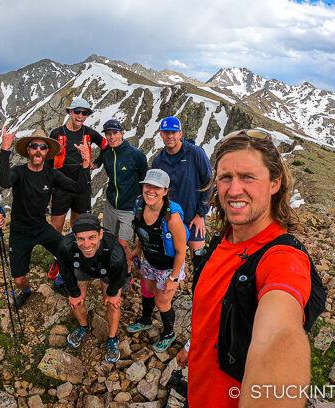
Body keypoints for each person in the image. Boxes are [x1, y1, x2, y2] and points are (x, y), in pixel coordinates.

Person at [184, 129, 312, 407]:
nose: (233, 190)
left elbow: (279, 334)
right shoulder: (223, 241)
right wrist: (191, 348)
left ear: (275, 183)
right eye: (225, 177)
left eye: (248, 177)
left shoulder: (281, 257)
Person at [0, 127, 90, 307]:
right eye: (34, 146)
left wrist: (86, 164)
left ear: (47, 151)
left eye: (42, 147)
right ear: (29, 151)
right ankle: (26, 290)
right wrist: (4, 150)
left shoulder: (51, 174)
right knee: (18, 279)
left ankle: (59, 282)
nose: (38, 150)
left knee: (70, 253)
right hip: (19, 232)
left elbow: (78, 188)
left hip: (41, 228)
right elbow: (4, 181)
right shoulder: (19, 171)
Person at [126, 169, 187, 352]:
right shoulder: (140, 205)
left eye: (156, 187)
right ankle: (145, 320)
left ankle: (169, 332)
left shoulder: (172, 218)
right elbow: (141, 231)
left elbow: (181, 251)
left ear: (165, 191)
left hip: (168, 267)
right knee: (146, 291)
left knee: (162, 302)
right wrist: (138, 249)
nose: (150, 190)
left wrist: (173, 278)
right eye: (147, 186)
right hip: (150, 261)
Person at [56, 213, 126, 363]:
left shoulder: (115, 253)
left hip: (107, 269)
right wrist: (74, 293)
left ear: (100, 234)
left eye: (92, 237)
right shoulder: (65, 246)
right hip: (82, 267)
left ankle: (112, 337)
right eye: (81, 239)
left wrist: (113, 294)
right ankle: (83, 326)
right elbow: (65, 271)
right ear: (74, 236)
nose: (86, 244)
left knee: (113, 305)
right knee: (76, 302)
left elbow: (119, 276)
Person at [151, 116, 211, 262]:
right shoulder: (158, 161)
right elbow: (156, 191)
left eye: (174, 132)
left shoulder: (195, 153)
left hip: (193, 219)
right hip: (171, 219)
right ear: (161, 134)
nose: (170, 136)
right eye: (166, 133)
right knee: (172, 261)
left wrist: (200, 215)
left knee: (198, 261)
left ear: (180, 134)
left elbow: (209, 182)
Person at [92, 119, 148, 272]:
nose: (111, 137)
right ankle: (120, 262)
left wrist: (144, 205)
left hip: (129, 208)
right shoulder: (107, 153)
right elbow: (94, 165)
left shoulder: (136, 155)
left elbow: (146, 180)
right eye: (108, 134)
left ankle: (127, 269)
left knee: (123, 243)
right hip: (111, 204)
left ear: (122, 133)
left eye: (115, 133)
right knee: (110, 238)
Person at [47, 97, 108, 232]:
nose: (80, 116)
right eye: (77, 112)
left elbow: (106, 146)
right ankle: (58, 253)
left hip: (82, 185)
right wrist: (48, 191)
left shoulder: (89, 133)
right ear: (70, 112)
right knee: (56, 227)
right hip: (60, 186)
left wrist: (97, 163)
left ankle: (76, 252)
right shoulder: (56, 133)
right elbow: (48, 163)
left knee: (79, 225)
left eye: (84, 113)